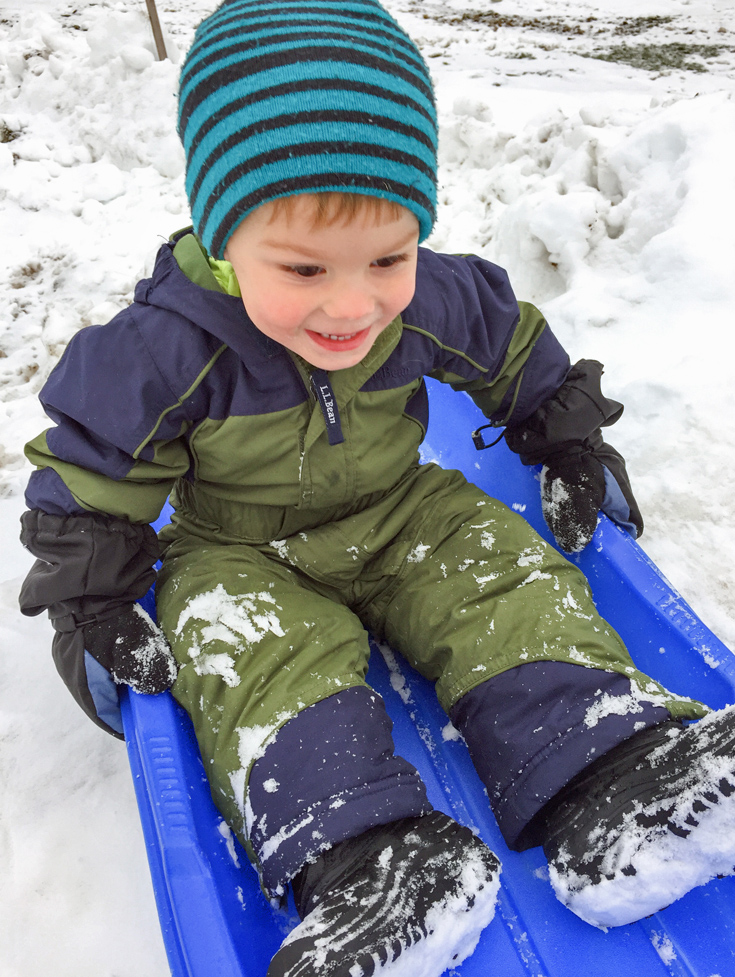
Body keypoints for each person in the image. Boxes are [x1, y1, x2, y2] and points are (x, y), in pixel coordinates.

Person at [18, 1, 735, 973]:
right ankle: (375, 855)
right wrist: (91, 598)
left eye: (387, 258)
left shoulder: (426, 299)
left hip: (399, 510)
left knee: (499, 574)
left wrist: (563, 436)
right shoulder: (163, 350)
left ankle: (610, 776)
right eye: (304, 266)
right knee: (254, 652)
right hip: (241, 549)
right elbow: (90, 470)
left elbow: (510, 345)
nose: (351, 305)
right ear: (226, 235)